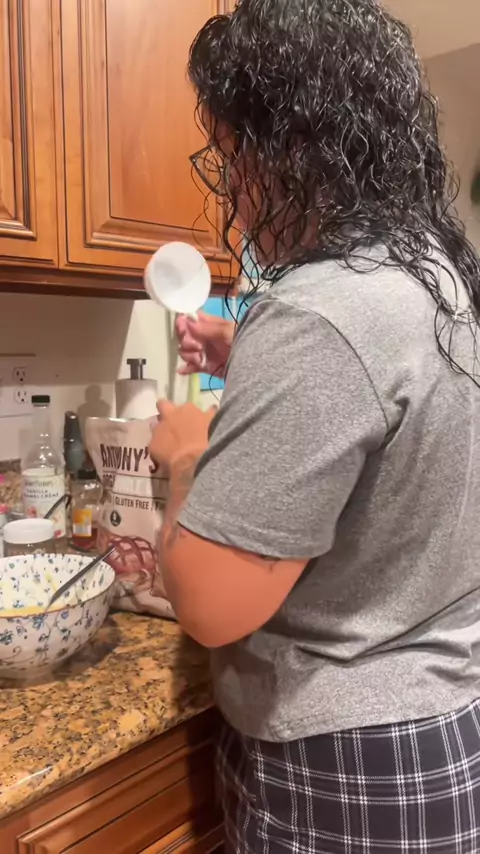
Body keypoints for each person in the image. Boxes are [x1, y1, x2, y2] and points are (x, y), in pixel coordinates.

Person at [149, 1, 480, 851]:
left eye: (231, 158)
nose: (232, 190)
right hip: (442, 723)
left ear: (293, 150)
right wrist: (245, 355)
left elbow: (212, 603)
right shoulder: (437, 277)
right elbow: (388, 418)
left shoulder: (322, 311)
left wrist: (186, 456)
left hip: (342, 766)